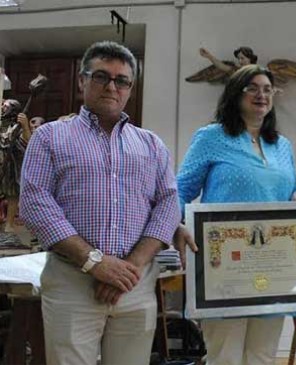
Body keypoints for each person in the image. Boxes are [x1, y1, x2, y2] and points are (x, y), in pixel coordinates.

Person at [19, 41, 181, 365]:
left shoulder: (151, 145)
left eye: (122, 80)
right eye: (101, 77)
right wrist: (95, 262)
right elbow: (35, 202)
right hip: (73, 282)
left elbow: (168, 203)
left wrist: (130, 266)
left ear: (130, 89)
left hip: (134, 285)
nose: (112, 86)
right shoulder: (49, 137)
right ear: (82, 81)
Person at [176, 64, 296, 365]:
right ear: (235, 93)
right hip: (224, 265)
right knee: (226, 356)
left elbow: (291, 193)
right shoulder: (211, 137)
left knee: (262, 355)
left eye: (268, 89)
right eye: (253, 88)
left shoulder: (282, 146)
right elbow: (179, 191)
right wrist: (176, 227)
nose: (262, 95)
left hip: (273, 265)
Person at [0, 99, 30, 233]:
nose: (2, 108)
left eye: (5, 107)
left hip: (11, 165)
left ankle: (9, 223)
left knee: (12, 194)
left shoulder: (16, 127)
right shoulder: (2, 125)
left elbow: (28, 142)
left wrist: (25, 127)